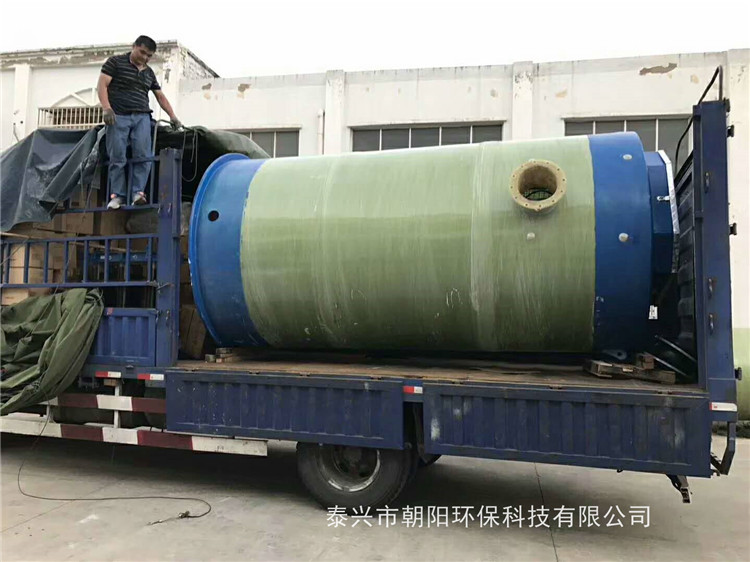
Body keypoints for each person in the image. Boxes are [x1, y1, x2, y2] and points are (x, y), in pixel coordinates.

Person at [97, 35, 182, 209]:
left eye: (149, 56)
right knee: (117, 156)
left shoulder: (149, 73)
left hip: (142, 117)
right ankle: (118, 195)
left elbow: (160, 96)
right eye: (142, 52)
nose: (145, 58)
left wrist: (173, 116)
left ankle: (138, 192)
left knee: (143, 155)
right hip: (118, 116)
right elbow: (102, 85)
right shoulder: (115, 62)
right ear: (133, 46)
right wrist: (106, 108)